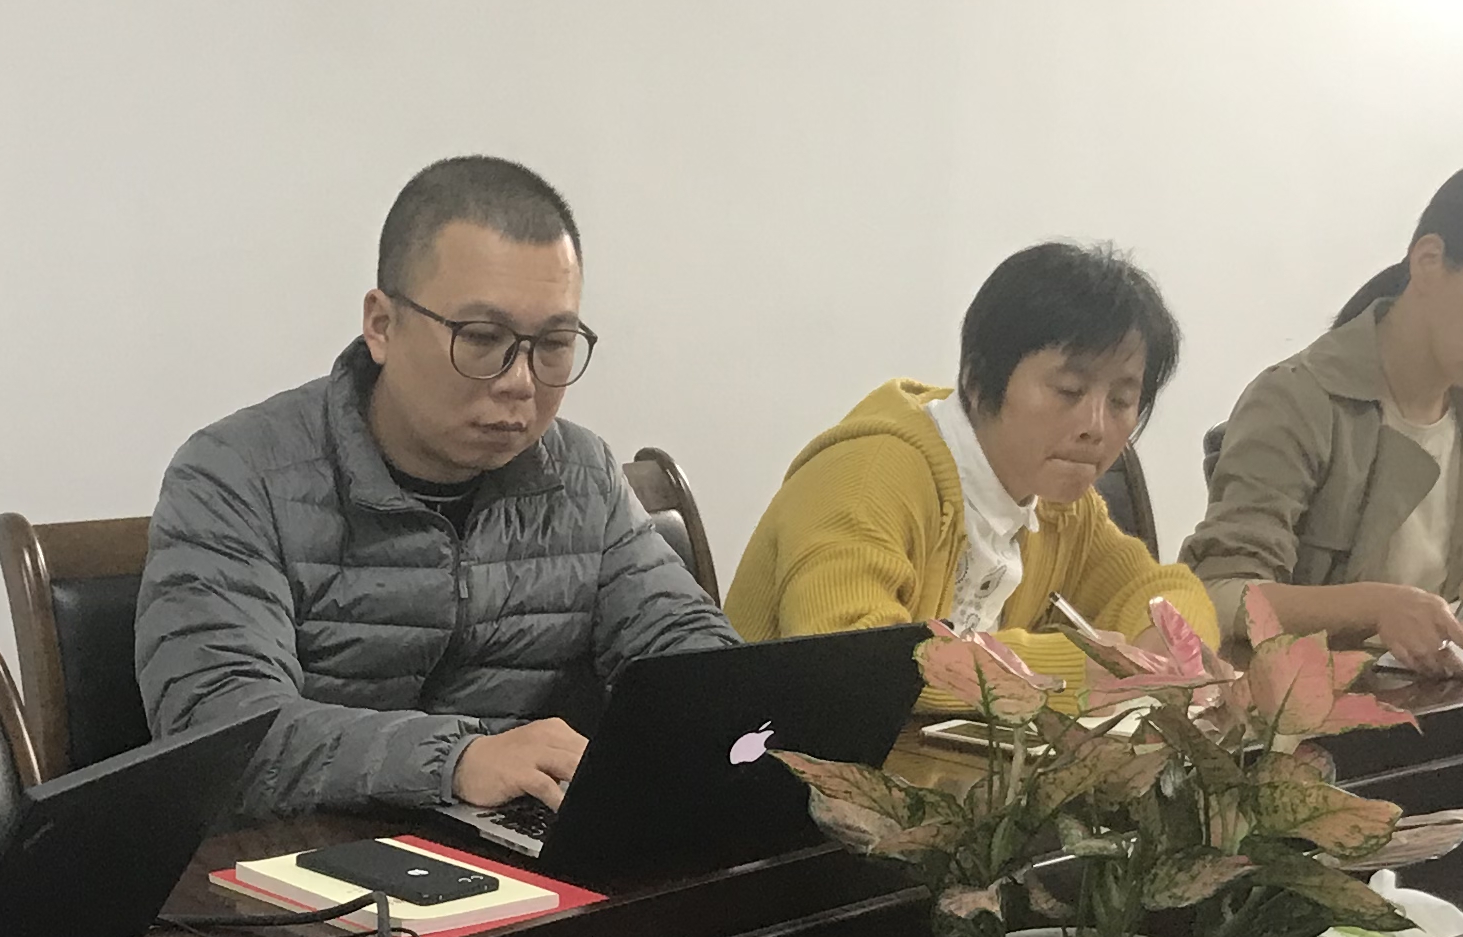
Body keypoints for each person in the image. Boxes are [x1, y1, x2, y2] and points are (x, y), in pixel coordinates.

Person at [136, 155, 733, 820]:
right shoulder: (236, 476)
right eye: (482, 338)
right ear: (382, 326)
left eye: (555, 343)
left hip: (516, 851)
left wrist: (732, 714)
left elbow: (689, 656)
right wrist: (457, 759)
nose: (521, 382)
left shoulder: (581, 475)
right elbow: (220, 731)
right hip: (299, 860)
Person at [723, 241, 1219, 698]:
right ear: (978, 381)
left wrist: (1166, 644)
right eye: (1069, 390)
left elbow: (1159, 590)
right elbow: (855, 666)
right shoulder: (868, 474)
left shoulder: (1059, 507)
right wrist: (1073, 668)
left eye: (1122, 400)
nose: (1096, 426)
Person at [1184, 154, 1463, 675]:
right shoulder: (1301, 401)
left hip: (1441, 695)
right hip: (1314, 702)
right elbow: (1219, 594)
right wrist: (1373, 607)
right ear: (1429, 260)